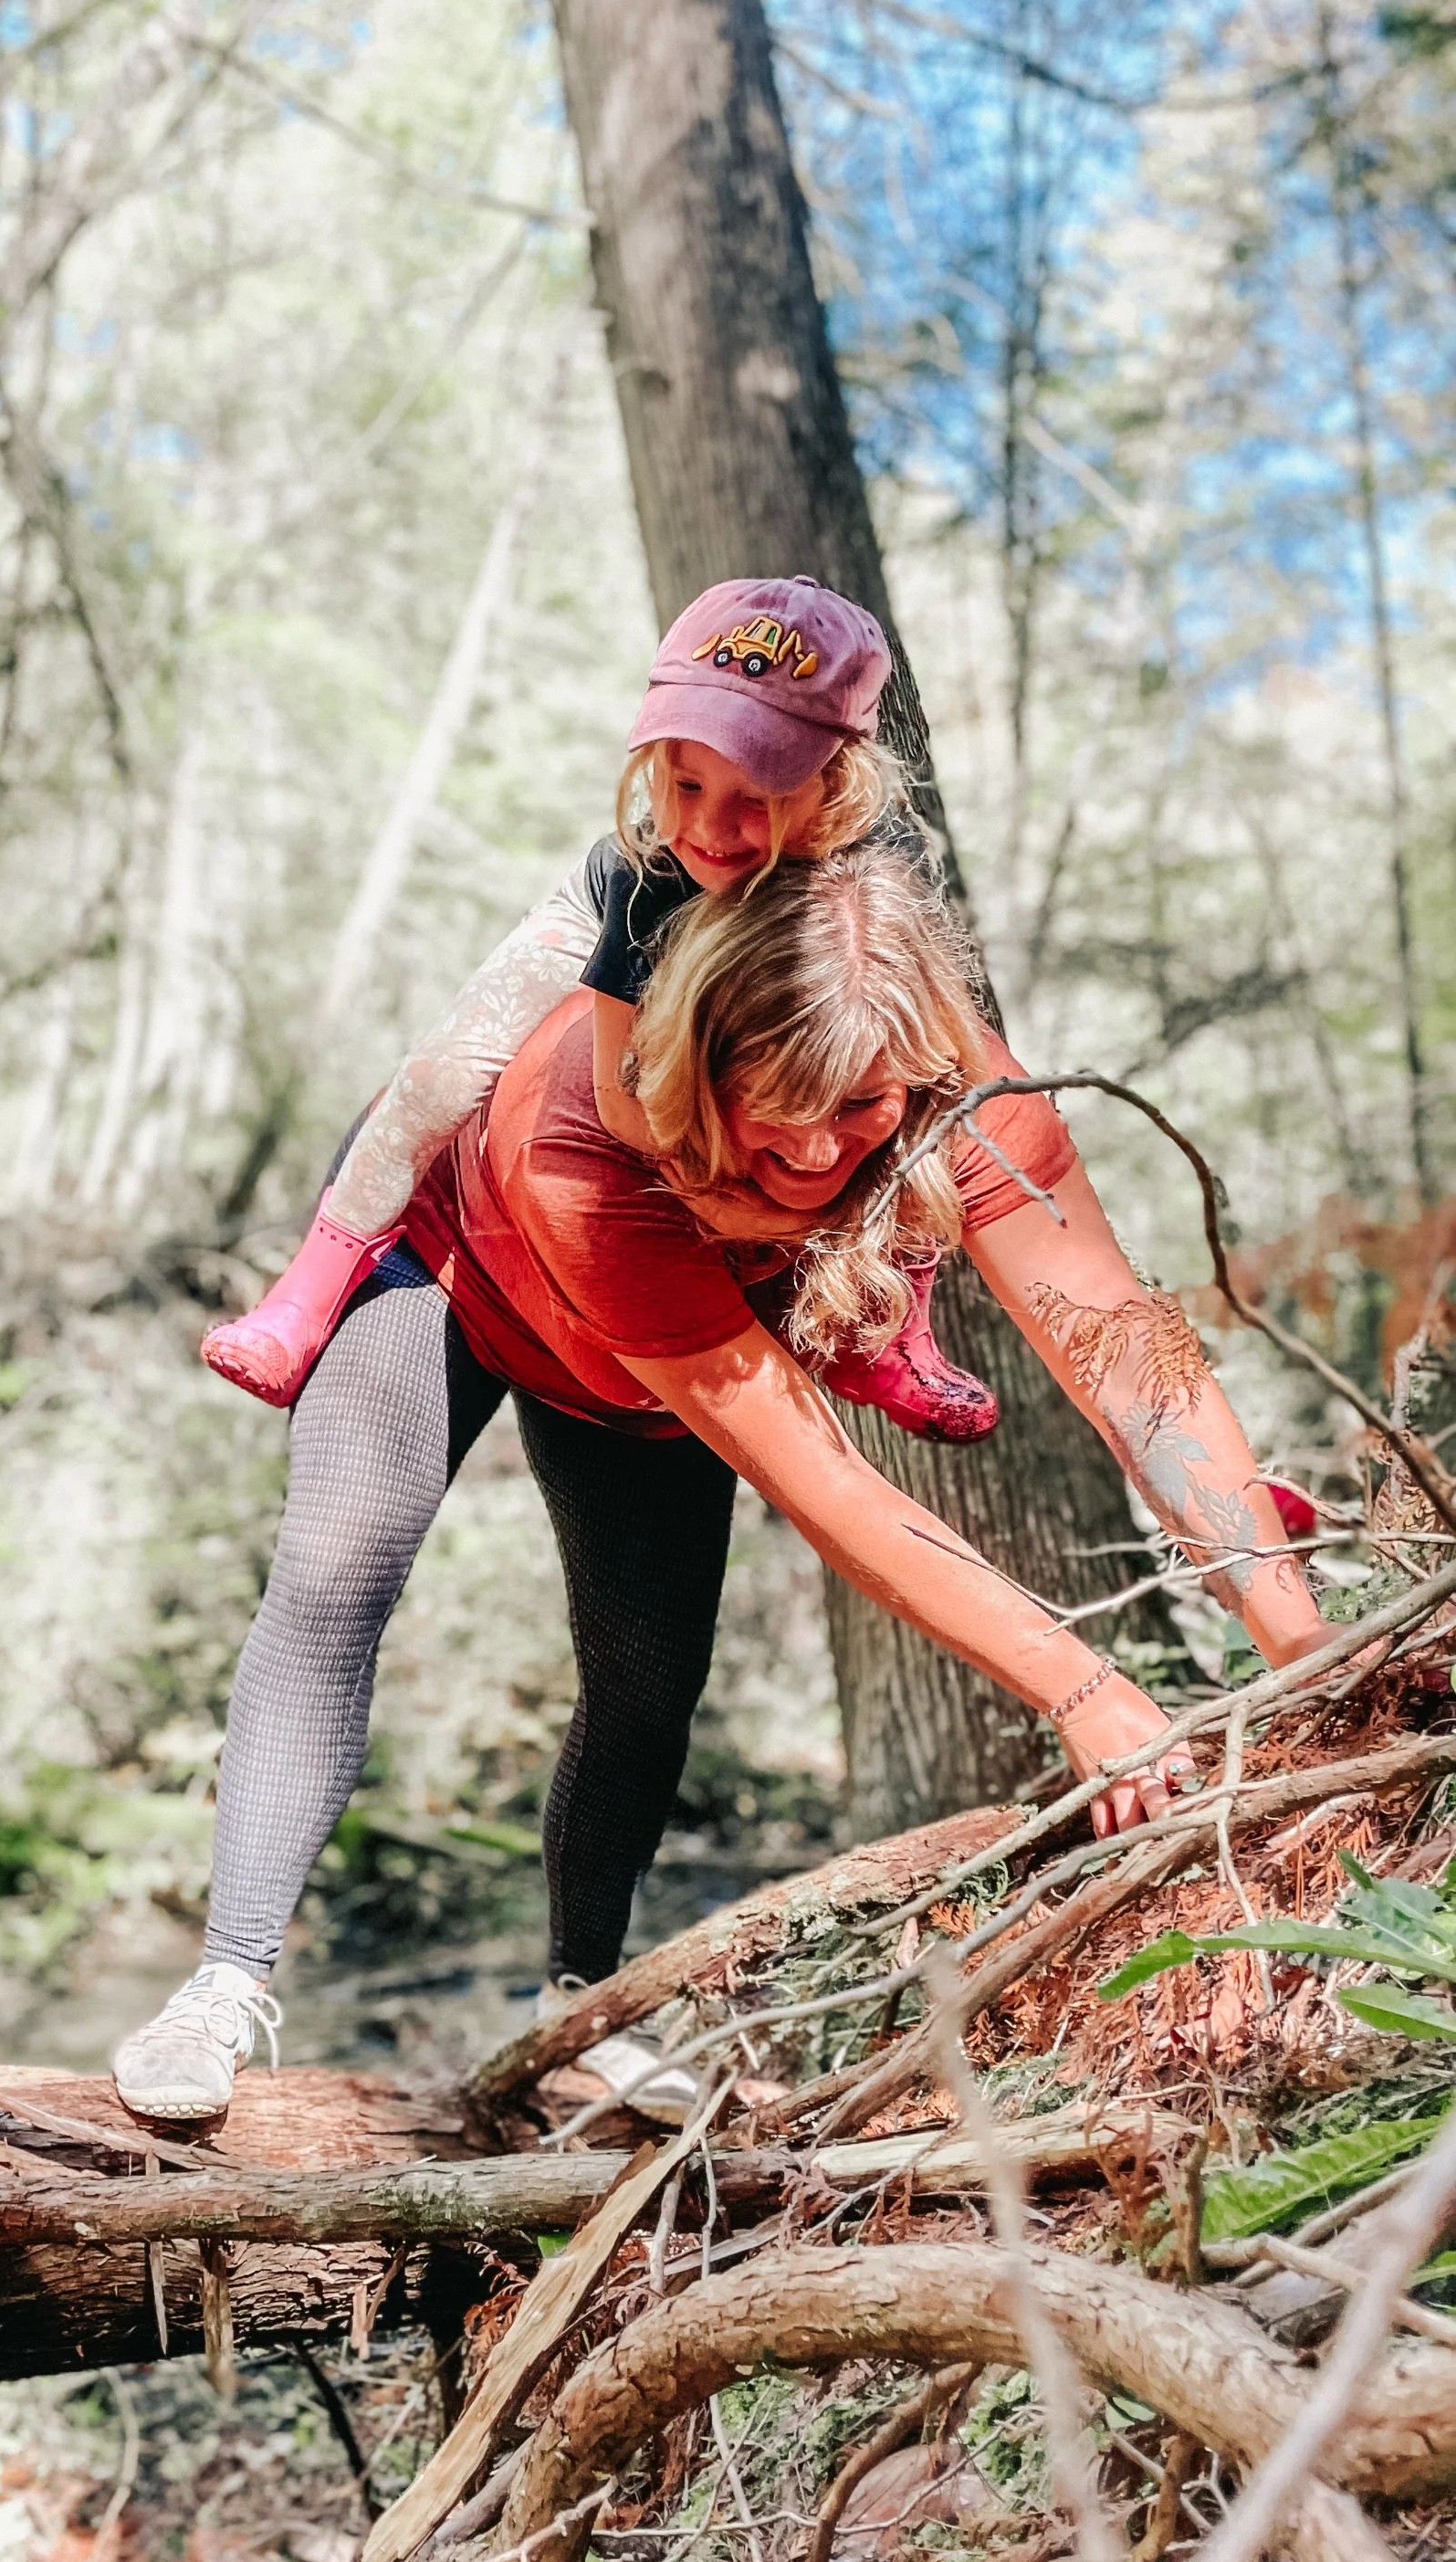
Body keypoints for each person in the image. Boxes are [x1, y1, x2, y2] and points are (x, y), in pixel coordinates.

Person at [113, 844, 1334, 2124]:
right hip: (445, 1266)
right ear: (704, 1059)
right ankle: (223, 1983)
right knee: (336, 1573)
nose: (812, 1148)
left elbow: (1132, 1356)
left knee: (648, 1682)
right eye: (777, 1100)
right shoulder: (591, 1135)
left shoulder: (972, 1103)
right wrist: (1084, 1688)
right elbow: (828, 1487)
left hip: (631, 1366)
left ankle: (578, 2006)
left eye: (859, 1107)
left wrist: (1300, 1645)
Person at [202, 575, 998, 1444]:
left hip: (799, 964)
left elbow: (933, 1065)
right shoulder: (653, 869)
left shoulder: (882, 866)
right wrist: (753, 1208)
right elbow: (624, 1100)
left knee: (928, 1089)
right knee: (443, 1073)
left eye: (755, 802)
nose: (712, 829)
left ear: (835, 779)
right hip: (622, 929)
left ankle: (898, 1330)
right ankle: (316, 1279)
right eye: (686, 784)